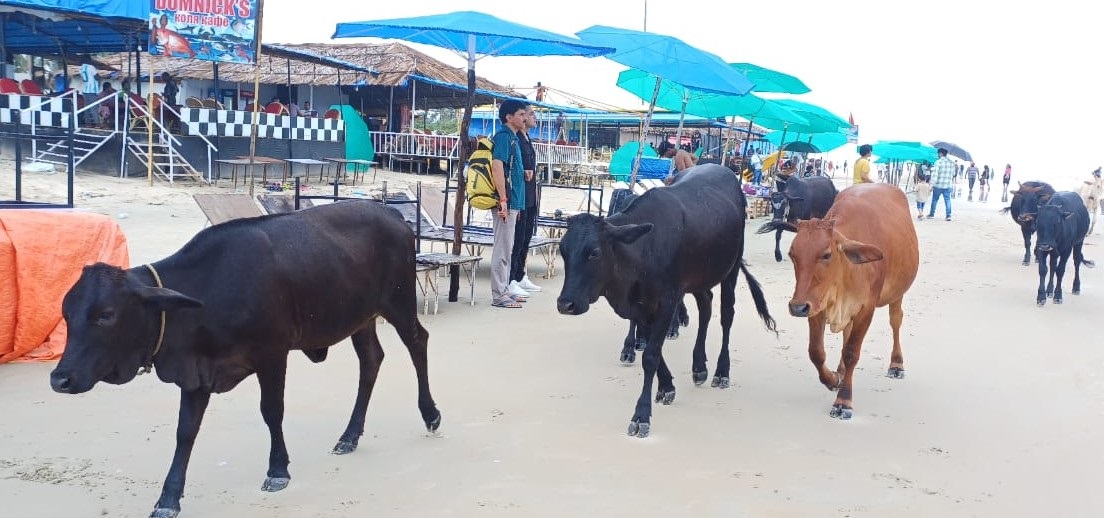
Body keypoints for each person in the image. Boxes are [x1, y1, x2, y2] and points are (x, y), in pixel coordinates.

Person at [489, 99, 529, 308]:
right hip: (506, 202)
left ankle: (504, 289)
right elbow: (497, 167)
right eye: (521, 114)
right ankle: (498, 294)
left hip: (514, 202)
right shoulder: (504, 137)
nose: (524, 118)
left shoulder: (513, 138)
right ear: (509, 117)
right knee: (502, 248)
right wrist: (503, 199)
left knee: (508, 246)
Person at [508, 106, 543, 297]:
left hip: (530, 197)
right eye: (528, 114)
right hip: (520, 198)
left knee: (526, 237)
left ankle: (520, 275)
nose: (531, 117)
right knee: (517, 238)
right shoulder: (515, 140)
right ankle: (511, 278)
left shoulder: (527, 139)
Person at [928, 148, 955, 221]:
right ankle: (948, 216)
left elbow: (935, 174)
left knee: (934, 200)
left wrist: (931, 185)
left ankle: (931, 214)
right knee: (947, 200)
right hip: (948, 185)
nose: (937, 155)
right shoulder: (951, 162)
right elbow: (953, 174)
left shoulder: (938, 162)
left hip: (938, 185)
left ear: (941, 154)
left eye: (938, 154)